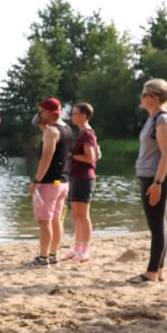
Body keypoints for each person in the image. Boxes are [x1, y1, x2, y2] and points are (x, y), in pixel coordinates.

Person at [129, 79, 167, 283]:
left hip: (155, 178)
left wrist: (157, 183)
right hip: (149, 177)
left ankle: (151, 274)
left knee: (157, 226)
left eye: (144, 94)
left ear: (154, 98)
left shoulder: (162, 120)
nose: (141, 97)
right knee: (158, 225)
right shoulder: (154, 118)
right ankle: (158, 272)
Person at [27, 98, 72, 267]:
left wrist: (37, 181)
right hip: (63, 183)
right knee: (55, 220)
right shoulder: (66, 129)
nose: (39, 114)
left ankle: (43, 257)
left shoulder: (51, 132)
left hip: (48, 183)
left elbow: (47, 157)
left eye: (41, 111)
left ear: (50, 112)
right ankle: (53, 255)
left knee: (44, 221)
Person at [64, 102, 98, 262]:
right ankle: (77, 248)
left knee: (83, 216)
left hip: (84, 178)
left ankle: (84, 251)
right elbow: (97, 154)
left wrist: (71, 156)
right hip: (77, 177)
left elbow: (90, 158)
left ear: (83, 116)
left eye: (75, 113)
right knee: (76, 215)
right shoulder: (84, 133)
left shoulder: (87, 134)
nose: (72, 116)